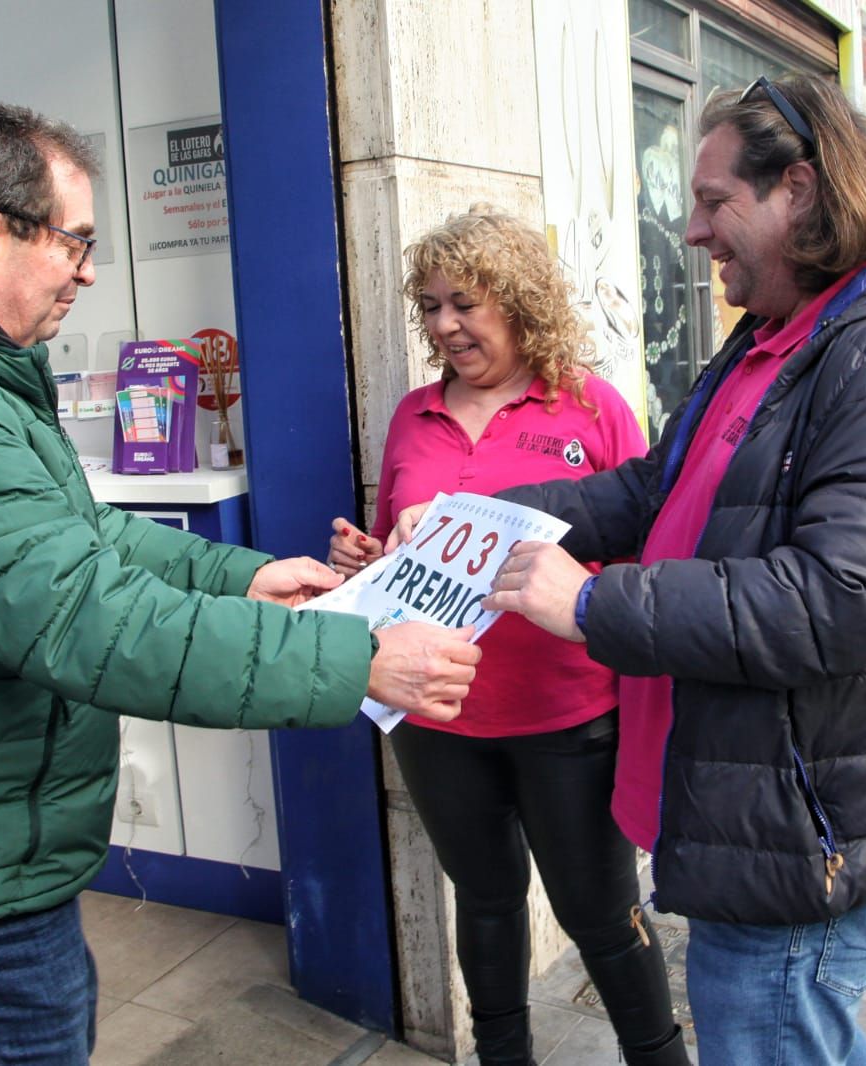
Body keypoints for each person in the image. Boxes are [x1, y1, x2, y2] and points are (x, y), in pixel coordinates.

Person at [0, 104, 481, 1066]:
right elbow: (84, 617)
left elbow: (78, 540)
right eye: (76, 241)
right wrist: (357, 657)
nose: (87, 270)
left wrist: (243, 579)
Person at [408, 76, 866, 1064]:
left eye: (714, 200)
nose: (691, 230)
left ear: (798, 192)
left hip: (800, 822)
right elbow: (650, 492)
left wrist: (593, 601)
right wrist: (474, 521)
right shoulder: (771, 338)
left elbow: (838, 599)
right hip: (752, 802)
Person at [329, 208, 685, 1065]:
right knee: (483, 902)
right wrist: (360, 559)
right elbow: (398, 552)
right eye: (430, 306)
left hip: (568, 717)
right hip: (437, 714)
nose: (445, 325)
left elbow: (643, 559)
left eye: (466, 304)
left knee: (600, 915)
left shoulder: (591, 408)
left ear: (520, 301)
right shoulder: (415, 415)